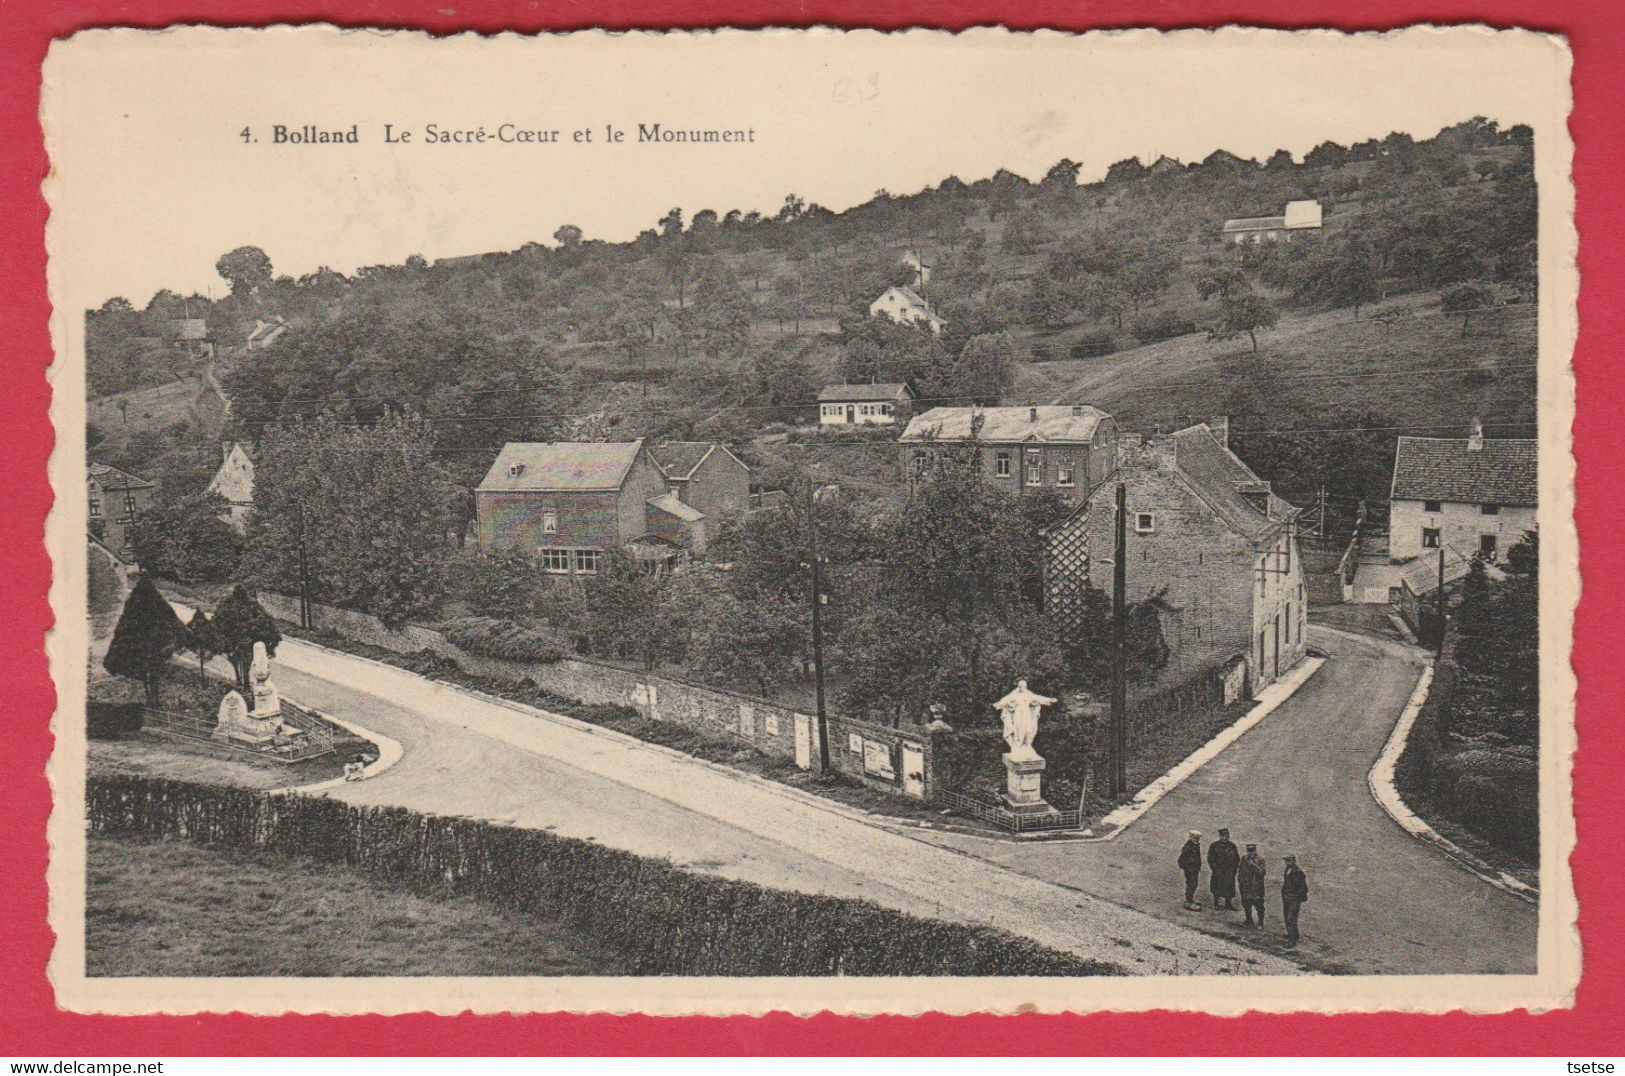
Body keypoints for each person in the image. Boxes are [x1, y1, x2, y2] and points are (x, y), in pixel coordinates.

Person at [1207, 827, 1240, 910]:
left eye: (1226, 836)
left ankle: (1228, 904)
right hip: (1218, 871)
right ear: (1220, 836)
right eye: (1223, 836)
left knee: (1229, 887)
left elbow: (1236, 859)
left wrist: (1234, 870)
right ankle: (1216, 904)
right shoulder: (1214, 845)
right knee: (1216, 887)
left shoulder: (1232, 846)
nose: (1225, 838)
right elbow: (1210, 858)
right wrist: (1215, 868)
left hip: (1229, 871)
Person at [1282, 854, 1309, 947]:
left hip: (1294, 899)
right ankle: (1294, 935)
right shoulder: (1288, 869)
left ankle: (1292, 941)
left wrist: (1295, 897)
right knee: (1287, 917)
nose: (1287, 863)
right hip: (1287, 898)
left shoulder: (1298, 872)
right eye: (1286, 861)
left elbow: (1304, 888)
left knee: (1290, 919)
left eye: (1289, 861)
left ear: (1293, 861)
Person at [1238, 843, 1267, 927]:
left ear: (1255, 850)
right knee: (1246, 904)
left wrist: (1253, 865)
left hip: (1256, 887)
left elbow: (1262, 872)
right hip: (1245, 886)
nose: (1250, 853)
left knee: (1259, 906)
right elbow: (1240, 868)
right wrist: (1240, 879)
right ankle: (1248, 920)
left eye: (1252, 851)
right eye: (1249, 851)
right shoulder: (1244, 858)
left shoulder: (1261, 859)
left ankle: (1260, 923)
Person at [1178, 831, 1203, 910]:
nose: (1197, 840)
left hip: (1194, 869)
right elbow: (1182, 859)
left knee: (1193, 884)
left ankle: (1190, 899)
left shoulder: (1195, 845)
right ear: (1191, 837)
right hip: (1190, 869)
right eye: (1195, 838)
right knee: (1192, 884)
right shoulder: (1188, 846)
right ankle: (1188, 901)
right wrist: (1188, 868)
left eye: (1198, 838)